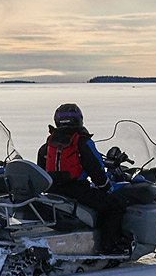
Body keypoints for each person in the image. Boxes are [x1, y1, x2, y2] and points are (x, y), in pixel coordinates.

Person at [37, 103, 127, 253]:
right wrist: (106, 187)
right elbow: (95, 168)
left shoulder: (48, 144)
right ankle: (110, 247)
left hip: (53, 191)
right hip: (77, 190)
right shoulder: (82, 142)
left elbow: (41, 170)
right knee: (114, 207)